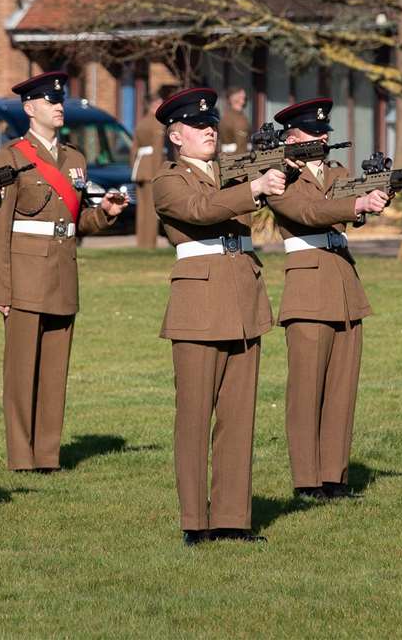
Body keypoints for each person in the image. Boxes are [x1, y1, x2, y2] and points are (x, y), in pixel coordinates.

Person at [150, 86, 285, 544]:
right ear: (175, 136)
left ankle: (232, 517)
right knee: (193, 417)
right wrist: (254, 188)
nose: (209, 130)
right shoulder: (169, 180)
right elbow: (199, 210)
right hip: (199, 306)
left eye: (212, 124)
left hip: (243, 300)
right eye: (198, 125)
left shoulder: (232, 172)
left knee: (238, 415)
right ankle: (195, 520)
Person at [0, 71, 125, 473]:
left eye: (60, 100)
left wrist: (104, 214)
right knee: (21, 371)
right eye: (50, 101)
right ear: (30, 108)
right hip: (24, 276)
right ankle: (20, 457)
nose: (59, 106)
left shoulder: (75, 159)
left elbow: (75, 224)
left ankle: (47, 455)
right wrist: (0, 290)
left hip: (63, 272)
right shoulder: (10, 157)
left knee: (55, 371)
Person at [266, 98, 391, 499]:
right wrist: (357, 203)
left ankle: (333, 476)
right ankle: (306, 479)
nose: (322, 136)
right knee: (306, 390)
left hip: (343, 282)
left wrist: (379, 194)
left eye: (325, 132)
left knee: (341, 387)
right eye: (313, 132)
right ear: (292, 137)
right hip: (307, 286)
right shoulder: (279, 177)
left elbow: (351, 204)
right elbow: (307, 213)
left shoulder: (337, 173)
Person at [131, 89, 170, 249]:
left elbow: (134, 149)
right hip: (151, 170)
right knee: (151, 209)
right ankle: (149, 244)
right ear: (155, 105)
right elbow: (157, 150)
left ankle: (142, 242)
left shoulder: (141, 122)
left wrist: (134, 168)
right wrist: (158, 173)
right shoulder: (157, 123)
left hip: (140, 168)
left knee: (142, 209)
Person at [218, 86, 251, 157]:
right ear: (234, 98)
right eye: (241, 96)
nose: (244, 98)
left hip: (226, 157)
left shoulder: (226, 116)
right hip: (237, 158)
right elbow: (241, 143)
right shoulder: (238, 119)